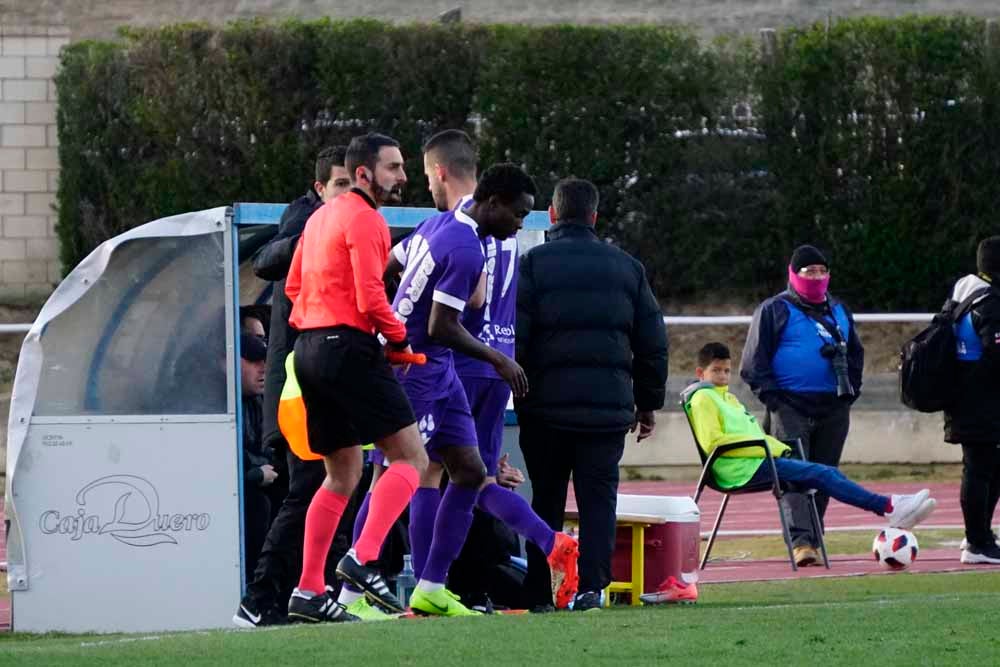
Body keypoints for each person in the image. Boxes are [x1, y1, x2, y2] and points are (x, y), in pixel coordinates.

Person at [383, 132, 579, 613]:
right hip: (498, 365)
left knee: (420, 471)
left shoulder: (457, 228)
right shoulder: (505, 231)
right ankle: (546, 543)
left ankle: (405, 583)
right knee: (477, 476)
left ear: (441, 172)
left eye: (426, 174)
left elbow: (452, 299)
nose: (424, 184)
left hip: (456, 361)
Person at [282, 132, 429, 624]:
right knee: (412, 457)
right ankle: (362, 558)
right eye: (393, 167)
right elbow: (370, 297)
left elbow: (293, 286)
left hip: (308, 351)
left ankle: (307, 589)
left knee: (340, 475)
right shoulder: (366, 218)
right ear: (364, 173)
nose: (403, 177)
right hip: (347, 347)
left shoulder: (319, 217)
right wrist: (400, 341)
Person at [515, 178, 668, 613]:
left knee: (544, 498)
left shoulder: (533, 264)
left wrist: (515, 394)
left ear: (551, 215)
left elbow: (517, 339)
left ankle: (541, 591)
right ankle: (592, 589)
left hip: (543, 408)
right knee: (599, 502)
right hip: (606, 410)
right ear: (595, 217)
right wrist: (648, 403)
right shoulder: (627, 267)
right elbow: (652, 341)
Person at [234, 147, 354, 627]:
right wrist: (312, 234)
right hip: (300, 383)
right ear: (320, 188)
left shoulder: (356, 225)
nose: (348, 194)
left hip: (333, 379)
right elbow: (267, 259)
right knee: (307, 489)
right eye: (339, 185)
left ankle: (311, 593)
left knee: (338, 486)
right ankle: (261, 597)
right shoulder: (306, 218)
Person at [684, 343, 936, 568]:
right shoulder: (702, 398)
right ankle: (889, 506)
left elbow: (750, 436)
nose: (722, 376)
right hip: (738, 469)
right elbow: (713, 443)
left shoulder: (729, 398)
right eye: (716, 371)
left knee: (820, 474)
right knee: (822, 473)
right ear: (700, 373)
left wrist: (770, 448)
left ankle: (888, 507)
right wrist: (770, 447)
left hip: (757, 461)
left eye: (726, 371)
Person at [740, 244, 864, 567]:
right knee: (794, 475)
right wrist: (775, 402)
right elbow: (753, 363)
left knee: (825, 475)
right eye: (810, 272)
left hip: (833, 407)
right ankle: (800, 541)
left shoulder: (839, 310)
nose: (817, 277)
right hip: (790, 407)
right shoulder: (774, 310)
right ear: (794, 275)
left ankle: (815, 534)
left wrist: (850, 392)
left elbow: (855, 354)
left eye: (822, 271)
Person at [943, 237, 1000, 564]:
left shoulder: (965, 290)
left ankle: (977, 536)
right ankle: (977, 542)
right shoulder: (991, 302)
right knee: (981, 469)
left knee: (988, 468)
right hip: (982, 398)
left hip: (966, 394)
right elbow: (995, 350)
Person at [239, 332, 277, 583]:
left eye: (264, 361)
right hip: (239, 488)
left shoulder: (258, 400)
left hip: (258, 477)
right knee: (257, 505)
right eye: (254, 361)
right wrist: (255, 473)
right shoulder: (214, 400)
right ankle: (256, 586)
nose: (262, 369)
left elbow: (267, 445)